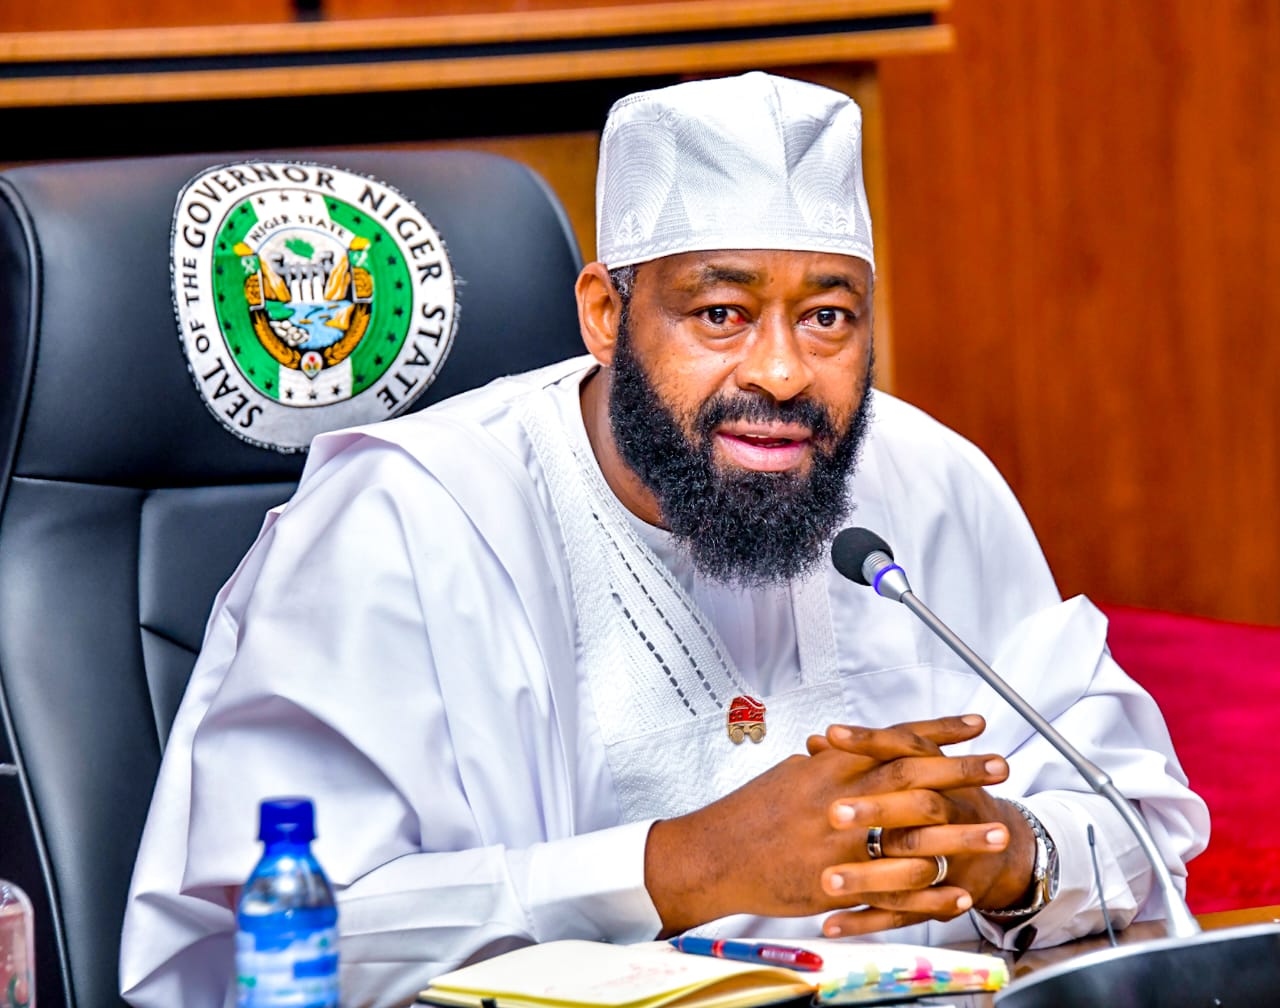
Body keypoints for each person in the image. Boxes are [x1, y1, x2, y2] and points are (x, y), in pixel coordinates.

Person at [120, 71, 1208, 1008]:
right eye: (720, 314)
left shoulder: (927, 483)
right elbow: (263, 948)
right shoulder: (407, 519)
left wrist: (1008, 856)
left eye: (827, 317)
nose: (781, 372)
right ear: (606, 315)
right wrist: (675, 869)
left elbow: (1144, 831)